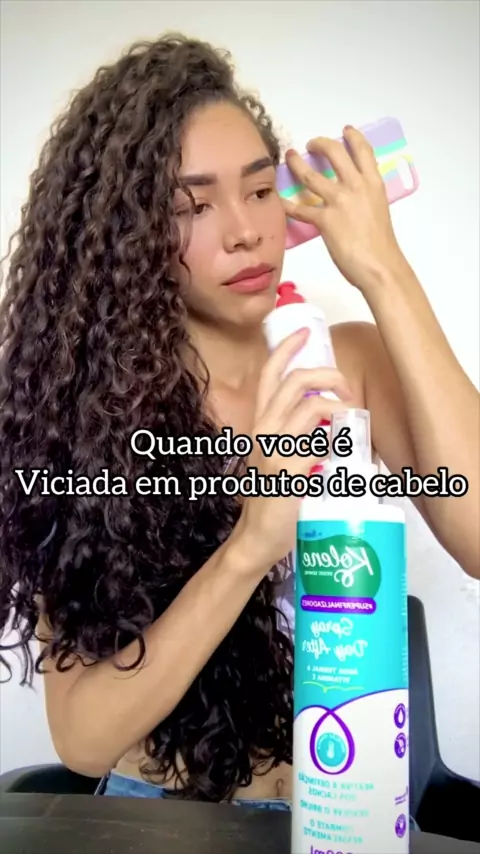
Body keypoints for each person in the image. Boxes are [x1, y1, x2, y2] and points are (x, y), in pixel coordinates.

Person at [0, 34, 478, 812]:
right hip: (166, 826)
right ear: (128, 235)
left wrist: (384, 271)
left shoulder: (348, 365)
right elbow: (82, 738)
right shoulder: (79, 419)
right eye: (191, 206)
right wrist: (250, 545)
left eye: (260, 190)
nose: (245, 230)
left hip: (347, 807)